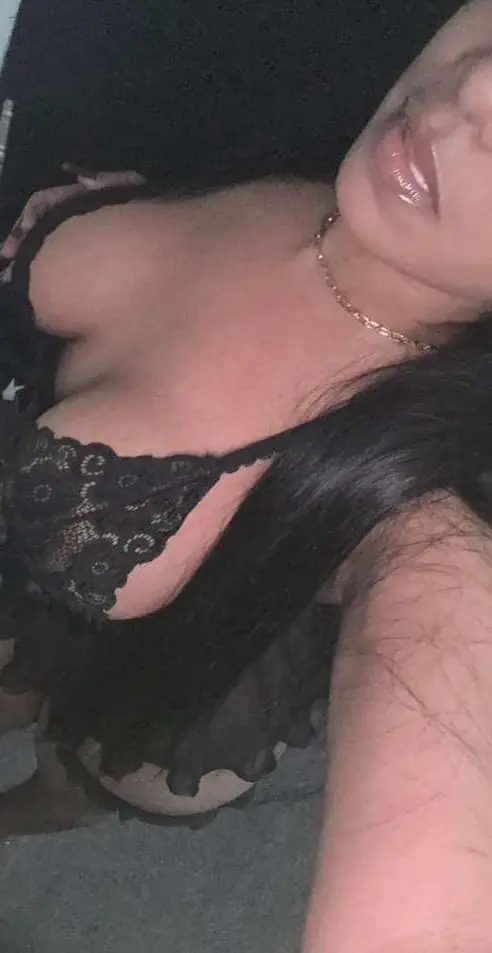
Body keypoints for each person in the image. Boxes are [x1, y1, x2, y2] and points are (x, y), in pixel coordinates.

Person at [3, 1, 492, 949]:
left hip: (174, 683)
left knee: (80, 765)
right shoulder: (346, 134)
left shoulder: (424, 520)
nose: (477, 84)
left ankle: (44, 802)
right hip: (35, 579)